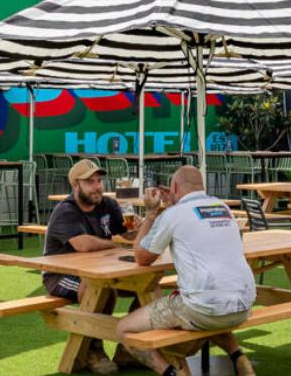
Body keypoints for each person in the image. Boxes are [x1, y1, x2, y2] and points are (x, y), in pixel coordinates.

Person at [117, 165, 257, 376]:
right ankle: (238, 357)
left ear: (174, 186)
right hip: (243, 306)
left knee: (123, 328)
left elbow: (141, 257)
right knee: (210, 305)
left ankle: (171, 373)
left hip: (201, 309)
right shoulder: (223, 208)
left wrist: (151, 213)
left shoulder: (173, 215)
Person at [43, 158, 140, 374]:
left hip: (102, 272)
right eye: (90, 182)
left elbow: (129, 233)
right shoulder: (65, 210)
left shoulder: (108, 204)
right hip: (61, 275)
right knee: (102, 289)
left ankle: (129, 349)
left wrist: (140, 224)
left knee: (147, 285)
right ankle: (93, 350)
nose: (97, 186)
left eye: (99, 181)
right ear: (75, 185)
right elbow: (83, 245)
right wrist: (112, 244)